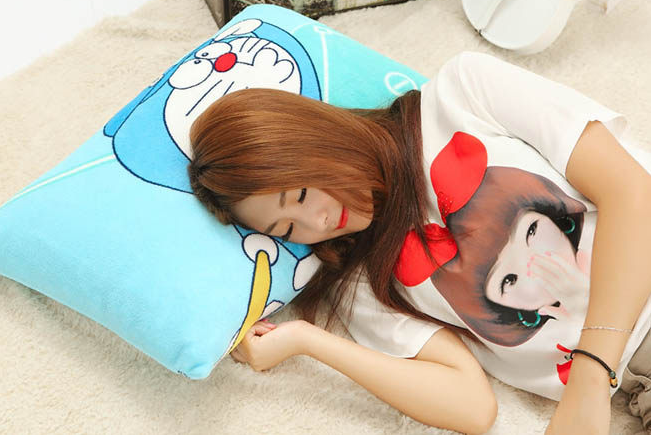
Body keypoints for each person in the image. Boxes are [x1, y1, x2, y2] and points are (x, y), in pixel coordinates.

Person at [187, 51, 651, 434]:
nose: (318, 221)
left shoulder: (463, 92)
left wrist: (589, 378)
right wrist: (308, 342)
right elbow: (472, 407)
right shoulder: (360, 284)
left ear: (316, 140)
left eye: (303, 194)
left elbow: (633, 193)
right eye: (288, 230)